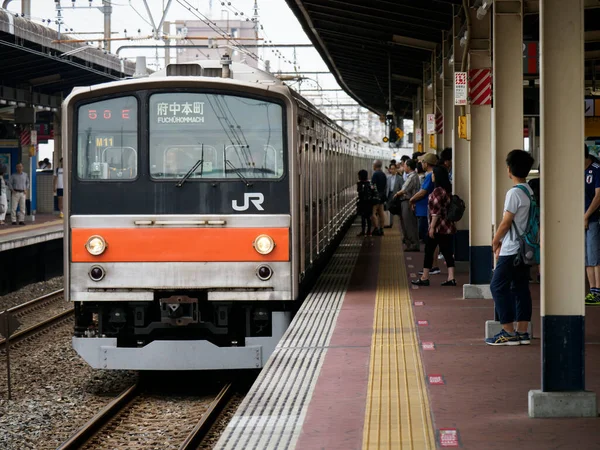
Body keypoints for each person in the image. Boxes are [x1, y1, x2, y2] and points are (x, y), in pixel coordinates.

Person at [486, 149, 535, 346]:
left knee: (497, 286)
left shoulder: (514, 193)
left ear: (509, 169)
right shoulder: (529, 191)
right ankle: (522, 332)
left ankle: (507, 331)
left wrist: (495, 241)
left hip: (512, 248)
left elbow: (506, 222)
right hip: (526, 248)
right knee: (521, 288)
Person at [411, 165, 457, 286]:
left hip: (437, 227)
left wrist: (431, 227)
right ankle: (451, 277)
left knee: (429, 251)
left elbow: (435, 212)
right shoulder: (447, 190)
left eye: (433, 174)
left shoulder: (437, 191)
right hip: (447, 226)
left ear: (437, 176)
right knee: (447, 252)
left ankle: (425, 277)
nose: (431, 176)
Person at [410, 153, 441, 273]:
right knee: (430, 240)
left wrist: (412, 199)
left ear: (426, 163)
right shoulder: (431, 175)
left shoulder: (430, 176)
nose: (421, 164)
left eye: (422, 162)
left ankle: (432, 266)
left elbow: (423, 192)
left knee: (429, 240)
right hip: (424, 210)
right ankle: (432, 266)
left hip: (426, 211)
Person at [585, 146, 600, 305]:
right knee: (586, 258)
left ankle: (598, 292)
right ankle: (592, 290)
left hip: (593, 219)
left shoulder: (596, 170)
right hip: (580, 220)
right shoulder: (576, 171)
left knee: (594, 256)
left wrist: (586, 215)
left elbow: (598, 196)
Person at [394, 158, 421, 251]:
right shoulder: (412, 176)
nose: (403, 167)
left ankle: (414, 244)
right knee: (407, 223)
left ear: (409, 167)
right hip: (408, 201)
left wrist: (396, 194)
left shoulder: (412, 176)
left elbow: (404, 190)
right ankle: (410, 243)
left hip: (408, 202)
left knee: (409, 224)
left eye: (404, 165)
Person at [371, 160, 387, 236]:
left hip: (376, 197)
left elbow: (372, 185)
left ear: (375, 166)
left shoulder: (375, 174)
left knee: (373, 213)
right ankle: (382, 229)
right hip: (382, 196)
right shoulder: (383, 174)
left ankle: (376, 229)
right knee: (381, 213)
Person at [385, 163, 403, 228]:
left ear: (396, 169)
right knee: (389, 209)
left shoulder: (400, 178)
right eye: (391, 169)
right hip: (389, 195)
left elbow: (402, 187)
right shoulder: (388, 177)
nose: (392, 170)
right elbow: (386, 187)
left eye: (394, 169)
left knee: (398, 210)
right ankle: (389, 223)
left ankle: (401, 225)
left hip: (397, 195)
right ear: (389, 170)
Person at [356, 169, 373, 237]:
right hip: (369, 203)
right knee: (368, 217)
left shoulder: (360, 184)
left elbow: (359, 192)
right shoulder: (369, 183)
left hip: (363, 203)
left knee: (363, 218)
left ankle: (363, 231)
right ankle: (369, 231)